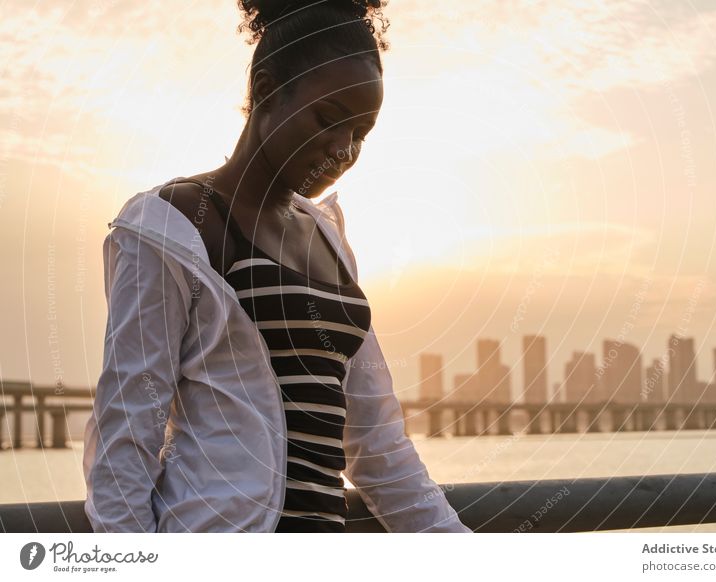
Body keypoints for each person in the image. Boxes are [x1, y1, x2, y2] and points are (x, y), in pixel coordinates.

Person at [82, 0, 472, 533]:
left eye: (362, 133)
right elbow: (126, 437)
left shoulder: (329, 238)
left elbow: (380, 450)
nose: (344, 150)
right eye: (329, 121)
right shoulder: (169, 225)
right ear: (266, 88)